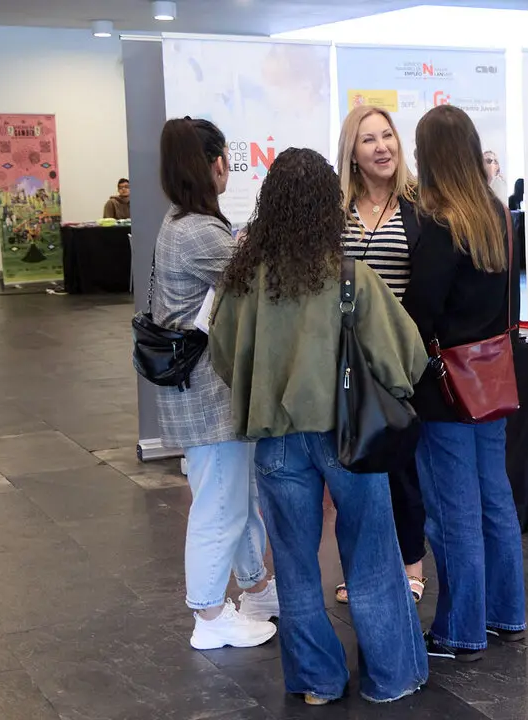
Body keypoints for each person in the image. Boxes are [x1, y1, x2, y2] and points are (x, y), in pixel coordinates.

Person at [210, 147, 429, 705]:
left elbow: (224, 357)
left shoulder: (244, 281)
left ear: (270, 204)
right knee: (372, 555)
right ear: (328, 206)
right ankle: (391, 678)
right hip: (349, 436)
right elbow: (406, 359)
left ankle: (317, 682)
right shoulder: (351, 277)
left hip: (276, 442)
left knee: (294, 565)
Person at [402, 105, 526, 663]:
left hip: (445, 386)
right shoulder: (496, 214)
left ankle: (460, 629)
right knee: (494, 499)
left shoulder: (441, 225)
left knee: (454, 512)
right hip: (492, 374)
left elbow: (419, 312)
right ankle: (506, 612)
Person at [152, 117, 277, 650]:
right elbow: (258, 284)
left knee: (235, 496)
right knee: (219, 507)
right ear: (215, 164)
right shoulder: (199, 232)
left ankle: (257, 588)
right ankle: (208, 614)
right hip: (208, 395)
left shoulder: (184, 222)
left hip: (206, 391)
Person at [333, 105, 429, 607]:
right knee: (354, 470)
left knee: (402, 467)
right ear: (352, 152)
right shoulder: (337, 211)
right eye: (368, 139)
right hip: (348, 359)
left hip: (400, 357)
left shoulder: (418, 205)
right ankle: (362, 567)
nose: (381, 147)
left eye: (387, 136)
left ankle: (412, 565)